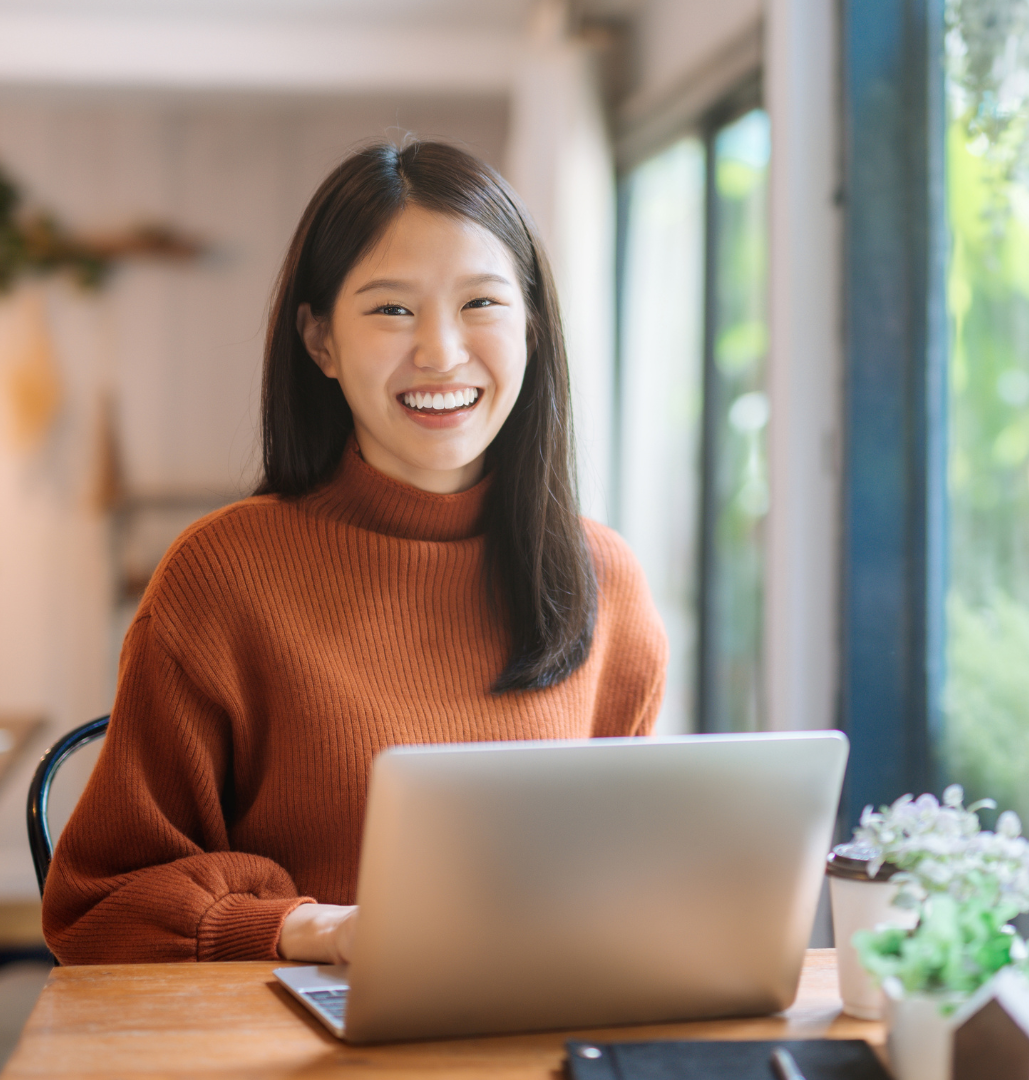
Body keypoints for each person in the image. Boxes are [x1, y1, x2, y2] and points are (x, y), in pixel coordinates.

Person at [42, 141, 668, 966]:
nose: (441, 353)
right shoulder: (222, 576)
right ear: (320, 341)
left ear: (533, 328)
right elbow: (98, 902)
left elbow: (635, 867)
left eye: (481, 303)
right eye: (391, 310)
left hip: (544, 1024)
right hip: (301, 1040)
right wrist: (310, 929)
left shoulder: (604, 579)